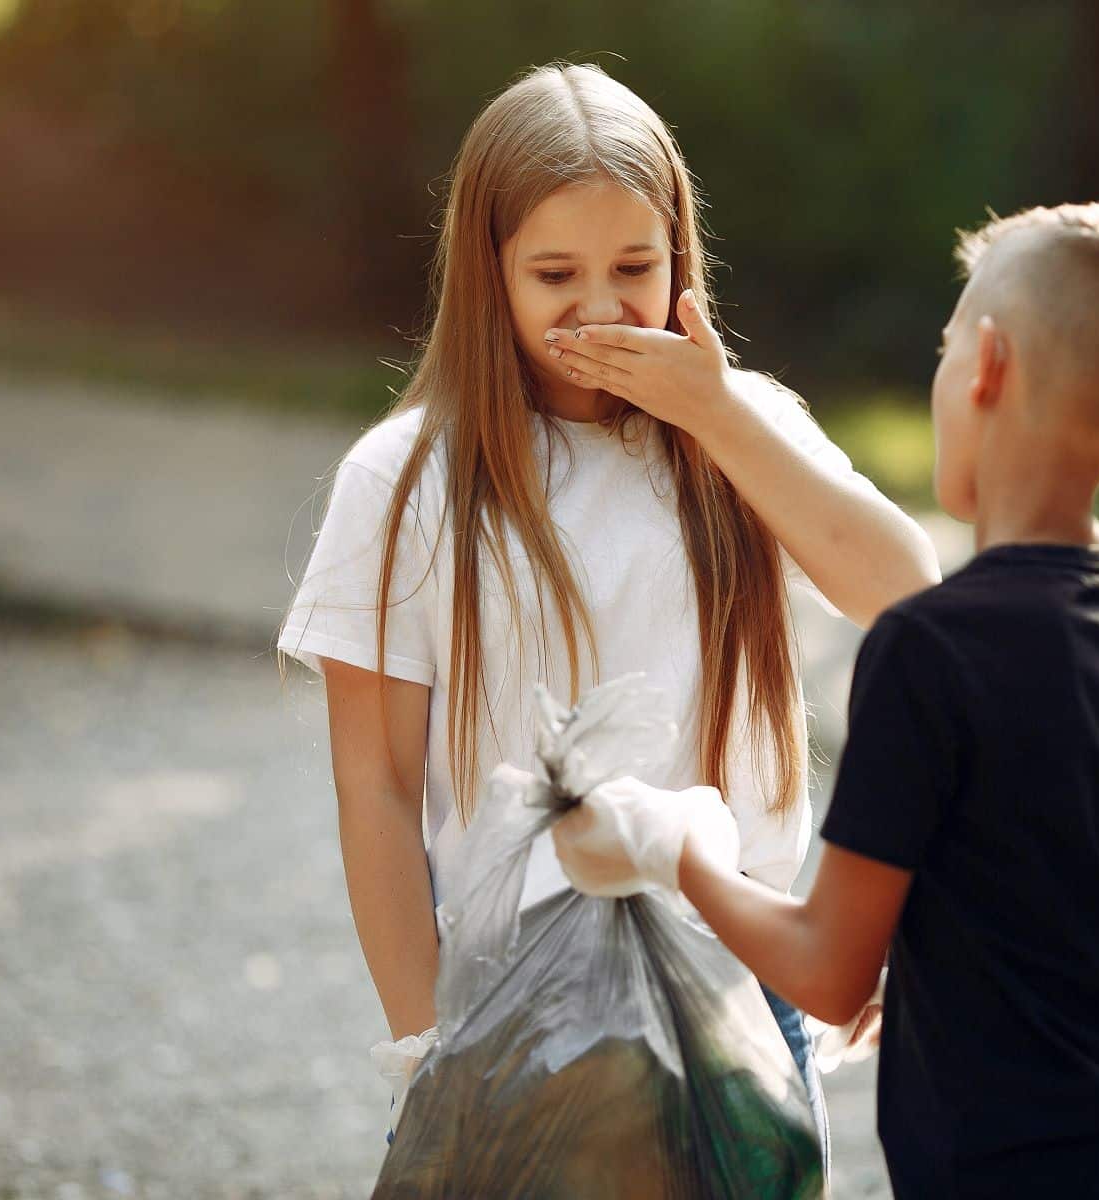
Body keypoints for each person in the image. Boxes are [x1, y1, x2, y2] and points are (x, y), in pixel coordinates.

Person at [552, 201, 1099, 1200]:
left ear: (985, 366)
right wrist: (995, 981)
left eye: (945, 350)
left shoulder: (929, 650)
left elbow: (828, 972)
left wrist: (671, 847)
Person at [274, 61, 940, 1155]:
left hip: (739, 987)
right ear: (487, 273)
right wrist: (424, 1046)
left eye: (634, 267)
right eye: (554, 274)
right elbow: (376, 785)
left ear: (680, 254)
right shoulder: (404, 478)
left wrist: (715, 415)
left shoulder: (741, 427)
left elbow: (907, 592)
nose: (598, 306)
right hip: (511, 1002)